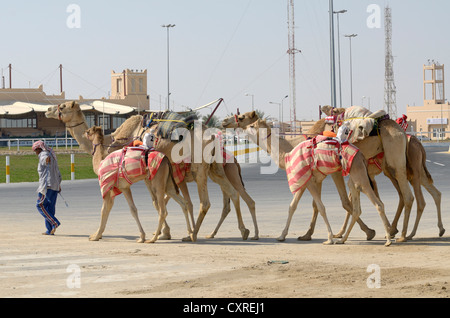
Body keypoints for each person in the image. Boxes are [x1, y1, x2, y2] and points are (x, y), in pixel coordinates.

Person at [32, 141, 62, 235]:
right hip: (55, 185)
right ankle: (50, 230)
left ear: (38, 149)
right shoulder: (52, 155)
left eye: (35, 150)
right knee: (50, 207)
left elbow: (44, 160)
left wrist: (46, 160)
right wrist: (59, 184)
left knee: (40, 205)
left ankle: (55, 222)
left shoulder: (43, 154)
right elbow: (58, 172)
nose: (35, 153)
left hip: (46, 186)